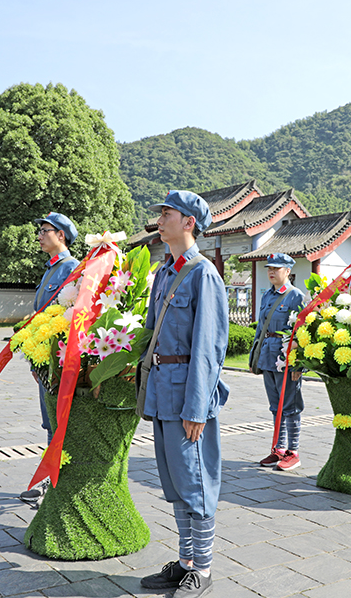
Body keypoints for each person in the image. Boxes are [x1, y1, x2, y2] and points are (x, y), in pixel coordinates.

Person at [138, 190, 229, 598]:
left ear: (189, 221)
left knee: (196, 482)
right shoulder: (164, 272)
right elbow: (150, 333)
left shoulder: (203, 274)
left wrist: (197, 408)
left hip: (186, 397)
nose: (161, 219)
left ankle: (204, 568)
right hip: (162, 391)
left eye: (167, 213)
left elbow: (209, 349)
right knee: (175, 483)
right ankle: (186, 562)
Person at [20, 212, 80, 506]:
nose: (40, 235)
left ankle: (54, 482)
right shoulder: (51, 269)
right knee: (49, 420)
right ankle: (50, 478)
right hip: (44, 358)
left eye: (46, 230)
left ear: (62, 236)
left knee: (59, 420)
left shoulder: (72, 269)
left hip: (59, 358)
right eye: (40, 230)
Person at [250, 253, 306, 470]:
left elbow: (302, 333)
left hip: (286, 357)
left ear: (288, 271)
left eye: (276, 268)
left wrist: (297, 364)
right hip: (268, 356)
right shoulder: (267, 296)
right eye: (269, 268)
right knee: (276, 406)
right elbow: (260, 329)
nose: (271, 272)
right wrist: (255, 355)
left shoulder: (296, 296)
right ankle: (279, 449)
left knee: (291, 405)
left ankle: (294, 451)